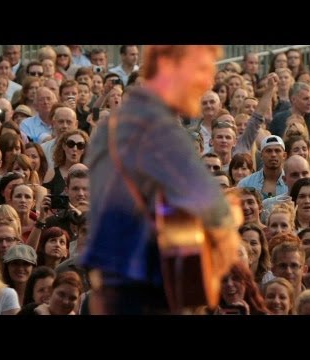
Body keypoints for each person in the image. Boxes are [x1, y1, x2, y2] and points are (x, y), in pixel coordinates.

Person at [82, 45, 242, 315]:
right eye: (200, 69)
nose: (206, 82)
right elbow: (216, 212)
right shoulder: (158, 129)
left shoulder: (111, 126)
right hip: (148, 295)